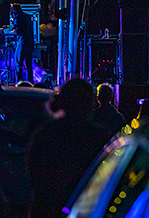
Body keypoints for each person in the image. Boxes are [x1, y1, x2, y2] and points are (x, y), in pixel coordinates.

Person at [26, 78, 113, 218]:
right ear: (89, 103)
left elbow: (34, 174)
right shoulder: (99, 137)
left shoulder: (46, 134)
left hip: (47, 209)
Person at [6, 4, 34, 83]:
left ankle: (19, 83)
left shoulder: (18, 17)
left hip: (22, 43)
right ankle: (30, 83)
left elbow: (18, 32)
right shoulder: (27, 16)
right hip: (30, 43)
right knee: (28, 64)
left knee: (18, 64)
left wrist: (7, 31)